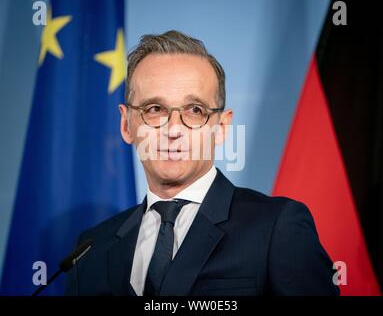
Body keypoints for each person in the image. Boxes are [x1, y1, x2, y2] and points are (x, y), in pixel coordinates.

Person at [65, 30, 339, 296]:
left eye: (194, 110)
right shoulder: (91, 249)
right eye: (154, 109)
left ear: (221, 127)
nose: (173, 129)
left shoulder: (277, 228)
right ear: (126, 124)